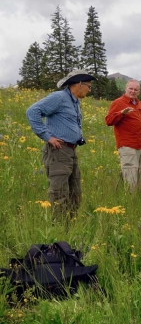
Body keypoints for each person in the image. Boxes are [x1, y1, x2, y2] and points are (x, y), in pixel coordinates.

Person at [26, 69, 96, 220]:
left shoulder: (74, 102)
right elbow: (32, 111)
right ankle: (58, 231)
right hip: (58, 151)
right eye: (88, 86)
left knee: (75, 193)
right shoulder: (59, 97)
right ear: (79, 84)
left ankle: (69, 228)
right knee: (59, 193)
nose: (89, 90)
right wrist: (47, 137)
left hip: (70, 151)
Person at [105, 79, 141, 190]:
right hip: (128, 145)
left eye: (136, 89)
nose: (133, 91)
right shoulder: (118, 103)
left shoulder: (139, 104)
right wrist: (121, 113)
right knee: (131, 178)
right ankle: (130, 203)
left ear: (139, 92)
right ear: (125, 89)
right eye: (131, 88)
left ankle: (140, 202)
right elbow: (108, 120)